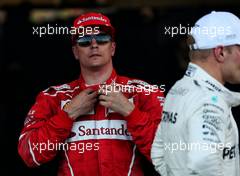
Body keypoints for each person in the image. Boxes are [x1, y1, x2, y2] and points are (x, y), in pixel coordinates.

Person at [18, 12, 164, 176]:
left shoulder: (144, 93)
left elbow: (171, 155)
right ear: (75, 52)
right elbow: (30, 154)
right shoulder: (53, 97)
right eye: (85, 41)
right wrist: (67, 114)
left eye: (102, 39)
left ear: (113, 48)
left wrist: (131, 113)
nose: (94, 45)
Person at [151, 11, 240, 176]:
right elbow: (203, 163)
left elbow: (158, 154)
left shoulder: (178, 89)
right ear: (220, 53)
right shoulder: (210, 100)